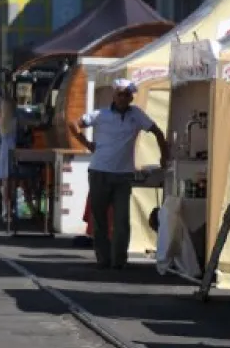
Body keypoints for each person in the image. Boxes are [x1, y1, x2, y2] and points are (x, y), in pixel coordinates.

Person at [67, 78, 168, 269]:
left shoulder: (136, 115)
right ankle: (103, 259)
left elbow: (158, 132)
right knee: (100, 219)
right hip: (99, 171)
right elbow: (74, 124)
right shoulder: (101, 114)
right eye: (121, 94)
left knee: (122, 219)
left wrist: (164, 156)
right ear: (114, 95)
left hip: (123, 174)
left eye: (128, 94)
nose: (124, 98)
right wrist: (87, 144)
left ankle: (119, 261)